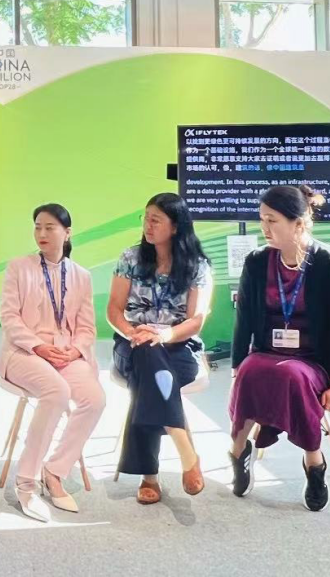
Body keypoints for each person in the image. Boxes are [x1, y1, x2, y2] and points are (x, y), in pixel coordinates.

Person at [228, 185, 330, 512]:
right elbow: (243, 320)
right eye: (262, 220)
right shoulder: (257, 261)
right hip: (267, 352)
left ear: (298, 223)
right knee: (249, 372)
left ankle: (314, 464)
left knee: (294, 376)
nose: (264, 228)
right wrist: (236, 367)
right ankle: (239, 453)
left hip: (312, 360)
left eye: (272, 220)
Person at [0, 204, 105, 521]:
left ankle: (55, 471)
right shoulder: (19, 267)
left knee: (95, 399)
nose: (41, 233)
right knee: (56, 391)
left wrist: (75, 350)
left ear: (67, 233)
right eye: (37, 226)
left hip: (66, 353)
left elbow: (87, 328)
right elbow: (9, 318)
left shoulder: (81, 276)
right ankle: (26, 482)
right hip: (24, 351)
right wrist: (39, 347)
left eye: (49, 227)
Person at [107, 193, 212, 505]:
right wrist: (133, 333)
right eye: (146, 218)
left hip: (179, 346)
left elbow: (196, 320)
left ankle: (148, 476)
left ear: (175, 227)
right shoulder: (131, 257)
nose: (148, 225)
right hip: (131, 343)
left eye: (156, 220)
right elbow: (113, 310)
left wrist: (164, 335)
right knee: (146, 353)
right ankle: (184, 446)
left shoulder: (197, 265)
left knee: (148, 371)